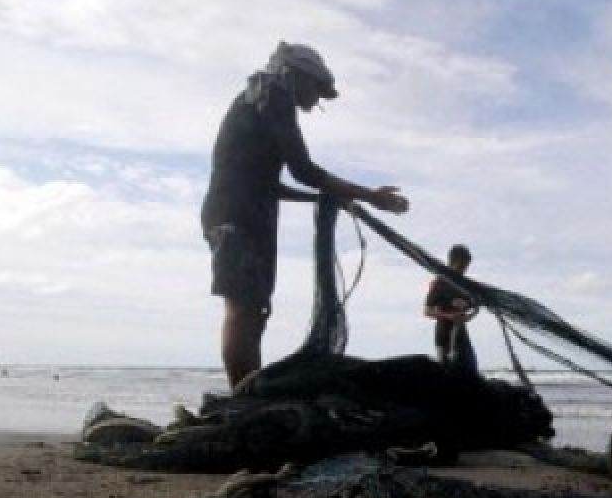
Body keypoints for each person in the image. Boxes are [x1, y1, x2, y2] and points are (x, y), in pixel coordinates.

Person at [201, 41, 409, 388]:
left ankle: (245, 390)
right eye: (316, 89)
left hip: (244, 214)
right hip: (235, 218)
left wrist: (325, 199)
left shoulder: (261, 99)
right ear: (297, 75)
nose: (316, 102)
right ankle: (243, 396)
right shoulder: (273, 95)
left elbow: (272, 184)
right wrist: (370, 196)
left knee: (255, 312)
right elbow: (304, 170)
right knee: (244, 310)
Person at [425, 244, 478, 374]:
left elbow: (476, 305)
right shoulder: (439, 283)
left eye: (466, 266)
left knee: (471, 371)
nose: (464, 269)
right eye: (462, 265)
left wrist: (471, 314)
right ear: (453, 261)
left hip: (462, 336)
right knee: (447, 376)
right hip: (444, 335)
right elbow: (427, 311)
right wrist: (449, 316)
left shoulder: (465, 285)